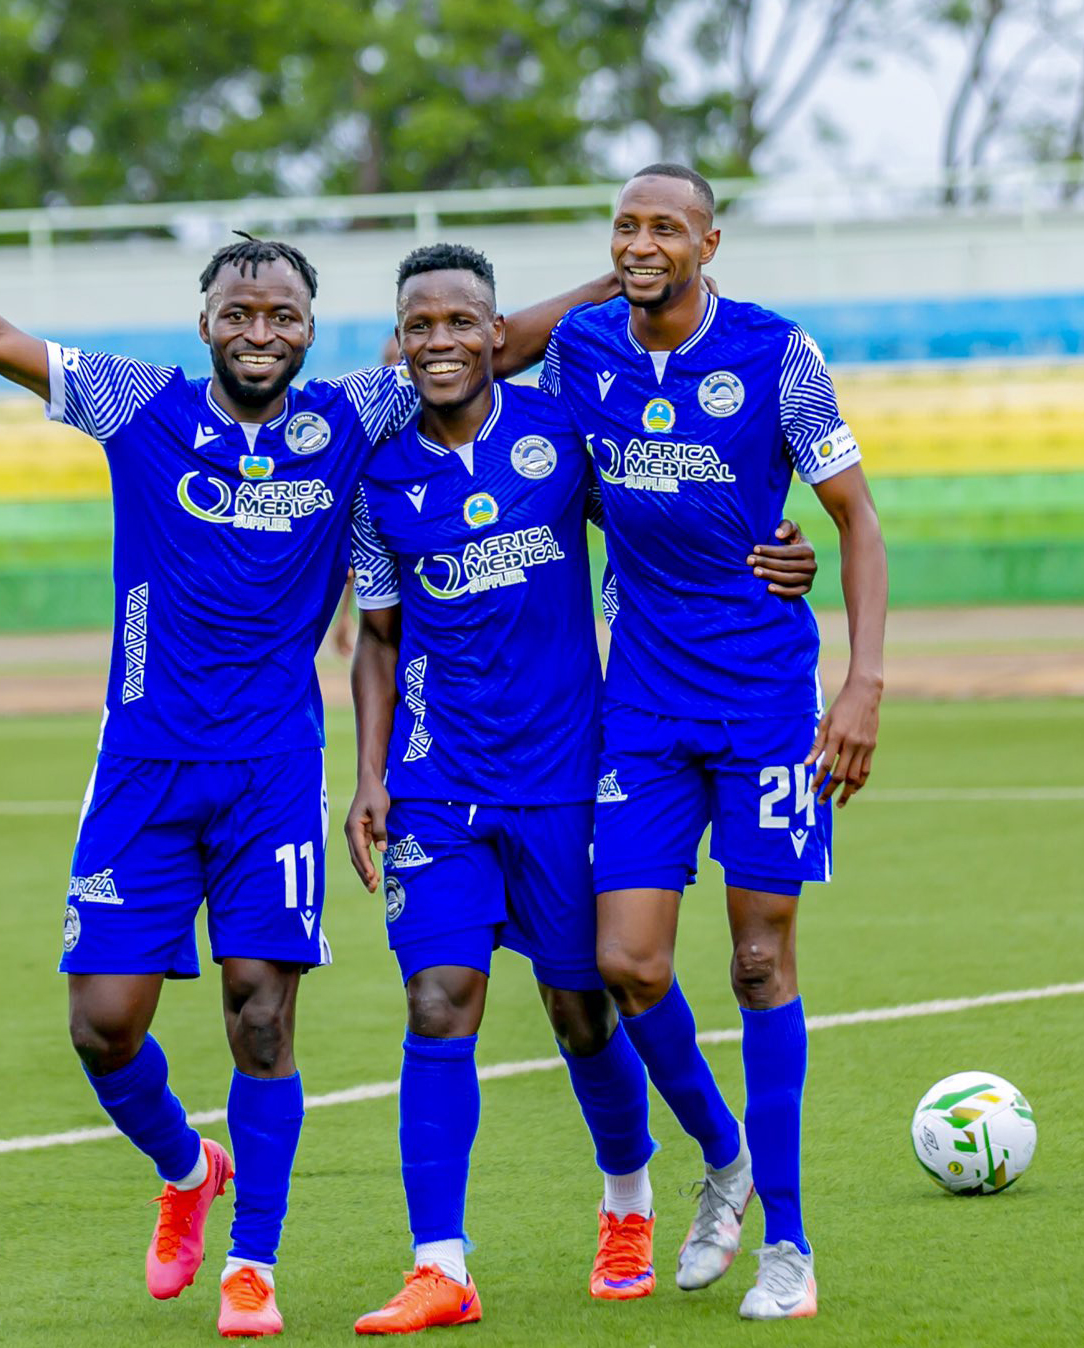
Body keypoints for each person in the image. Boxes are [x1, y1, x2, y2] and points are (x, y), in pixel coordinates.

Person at [0, 185, 611, 1338]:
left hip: (272, 773)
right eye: (239, 312)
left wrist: (633, 277)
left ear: (313, 330)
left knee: (262, 1017)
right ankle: (188, 1168)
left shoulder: (354, 414)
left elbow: (497, 336)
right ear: (205, 323)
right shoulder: (137, 404)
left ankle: (252, 1266)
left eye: (283, 315)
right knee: (102, 1026)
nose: (260, 331)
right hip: (142, 768)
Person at [341, 242, 821, 1334]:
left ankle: (640, 1191)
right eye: (419, 326)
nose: (441, 342)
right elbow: (375, 636)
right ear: (398, 343)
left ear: (498, 333)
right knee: (439, 998)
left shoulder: (562, 433)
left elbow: (671, 516)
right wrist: (369, 773)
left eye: (463, 322)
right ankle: (439, 1264)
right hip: (436, 781)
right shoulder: (378, 474)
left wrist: (775, 551)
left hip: (566, 770)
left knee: (584, 1000)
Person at [540, 164, 889, 1321]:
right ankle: (723, 1156)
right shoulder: (580, 349)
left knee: (757, 962)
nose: (642, 244)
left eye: (666, 228)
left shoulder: (777, 353)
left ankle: (787, 1245)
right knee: (627, 961)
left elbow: (855, 518)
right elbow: (527, 423)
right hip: (640, 698)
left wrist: (861, 683)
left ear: (709, 243)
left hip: (767, 701)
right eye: (625, 227)